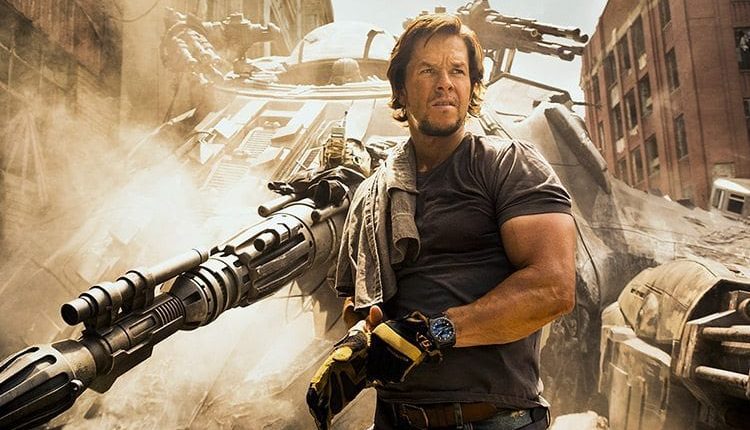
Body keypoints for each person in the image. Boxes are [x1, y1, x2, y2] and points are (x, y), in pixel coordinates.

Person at [309, 12, 576, 430]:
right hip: (394, 419)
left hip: (492, 420)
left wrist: (435, 333)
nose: (445, 83)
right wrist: (361, 341)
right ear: (400, 89)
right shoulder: (372, 193)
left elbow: (553, 288)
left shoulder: (508, 164)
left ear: (472, 87)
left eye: (457, 71)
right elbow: (359, 300)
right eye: (428, 70)